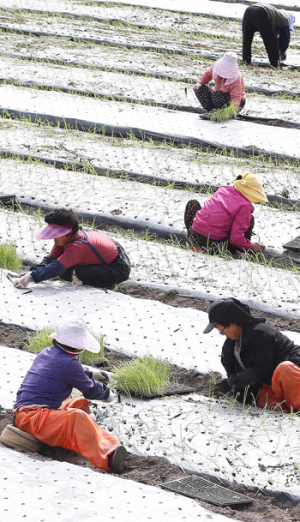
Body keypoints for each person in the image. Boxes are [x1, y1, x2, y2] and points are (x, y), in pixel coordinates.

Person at [13, 318, 127, 473]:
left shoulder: (47, 353)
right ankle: (109, 456)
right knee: (77, 417)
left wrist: (91, 373)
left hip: (29, 413)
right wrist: (107, 394)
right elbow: (90, 390)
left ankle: (73, 443)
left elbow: (68, 370)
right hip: (34, 418)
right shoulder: (69, 364)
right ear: (78, 346)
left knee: (79, 403)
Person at [203, 298, 300, 412]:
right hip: (273, 387)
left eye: (222, 330)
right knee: (260, 399)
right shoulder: (230, 348)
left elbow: (261, 371)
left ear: (233, 323)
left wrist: (232, 383)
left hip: (292, 381)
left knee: (285, 369)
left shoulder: (260, 333)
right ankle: (290, 408)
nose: (222, 334)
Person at [14, 208, 131, 290]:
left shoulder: (77, 246)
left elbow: (57, 267)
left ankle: (107, 286)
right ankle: (67, 281)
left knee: (81, 270)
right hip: (107, 259)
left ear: (67, 232)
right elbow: (52, 259)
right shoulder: (65, 240)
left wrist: (32, 278)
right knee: (65, 262)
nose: (53, 238)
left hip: (118, 268)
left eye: (56, 234)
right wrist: (33, 271)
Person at [184, 172, 267, 255]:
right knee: (250, 219)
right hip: (214, 243)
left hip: (195, 235)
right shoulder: (245, 206)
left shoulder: (222, 190)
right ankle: (241, 250)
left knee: (193, 203)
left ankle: (193, 243)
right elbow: (236, 238)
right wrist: (251, 246)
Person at [193, 52, 246, 117]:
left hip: (236, 101)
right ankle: (212, 111)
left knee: (217, 95)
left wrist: (233, 111)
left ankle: (223, 113)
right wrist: (199, 83)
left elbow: (236, 96)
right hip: (218, 95)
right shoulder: (215, 67)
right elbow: (207, 74)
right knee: (200, 89)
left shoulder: (236, 79)